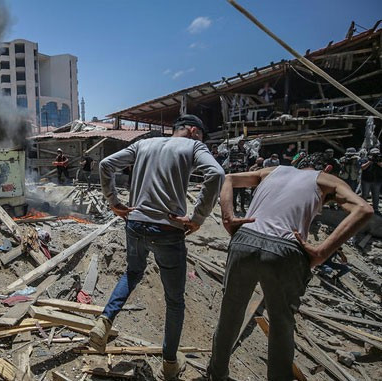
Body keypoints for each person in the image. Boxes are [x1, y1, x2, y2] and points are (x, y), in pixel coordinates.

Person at [208, 153, 373, 380]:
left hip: (245, 239)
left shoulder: (272, 171)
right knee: (281, 324)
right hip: (285, 250)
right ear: (324, 168)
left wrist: (228, 217)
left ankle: (215, 375)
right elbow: (364, 209)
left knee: (230, 315)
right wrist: (322, 252)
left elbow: (229, 178)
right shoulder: (326, 180)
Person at [90, 114, 224, 380]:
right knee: (174, 301)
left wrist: (113, 201)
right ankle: (170, 364)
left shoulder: (144, 144)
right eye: (201, 135)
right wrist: (197, 218)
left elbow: (106, 164)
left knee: (132, 273)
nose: (202, 139)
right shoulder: (194, 147)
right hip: (167, 230)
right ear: (193, 131)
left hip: (135, 224)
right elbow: (217, 173)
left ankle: (104, 321)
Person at [359, 147, 382, 215]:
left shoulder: (380, 159)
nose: (375, 155)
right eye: (374, 154)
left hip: (377, 180)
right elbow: (362, 167)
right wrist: (370, 161)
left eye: (377, 153)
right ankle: (363, 209)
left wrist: (378, 162)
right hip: (366, 180)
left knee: (376, 195)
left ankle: (376, 209)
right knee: (365, 195)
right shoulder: (365, 159)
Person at [228, 139, 249, 213]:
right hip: (235, 175)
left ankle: (242, 207)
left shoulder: (245, 149)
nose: (242, 144)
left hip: (242, 175)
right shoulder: (234, 149)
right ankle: (234, 208)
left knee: (243, 193)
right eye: (241, 143)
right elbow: (230, 163)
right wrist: (237, 164)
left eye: (243, 143)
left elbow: (246, 162)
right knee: (235, 194)